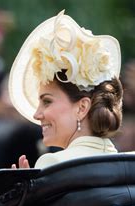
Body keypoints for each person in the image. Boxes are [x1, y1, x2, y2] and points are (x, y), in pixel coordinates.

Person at [9, 10, 123, 169]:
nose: (37, 114)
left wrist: (28, 193)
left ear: (82, 108)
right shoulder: (125, 163)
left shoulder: (52, 163)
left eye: (47, 101)